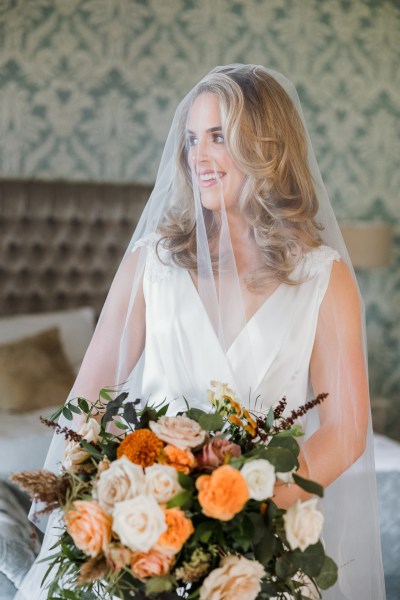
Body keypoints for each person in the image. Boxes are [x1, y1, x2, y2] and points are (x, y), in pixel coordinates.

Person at [17, 64, 385, 599]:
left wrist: (246, 508)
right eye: (192, 139)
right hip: (147, 537)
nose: (198, 157)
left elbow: (347, 432)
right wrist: (101, 502)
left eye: (218, 136)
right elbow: (92, 394)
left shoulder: (323, 277)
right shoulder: (153, 262)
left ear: (267, 145)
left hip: (262, 547)